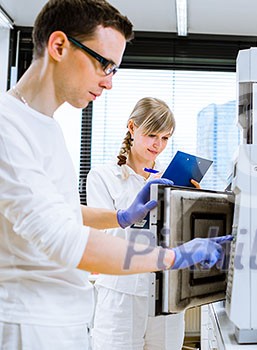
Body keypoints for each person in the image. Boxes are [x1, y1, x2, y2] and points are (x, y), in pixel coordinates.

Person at [0, 1, 231, 349]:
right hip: (29, 324)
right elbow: (62, 238)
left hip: (66, 318)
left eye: (115, 70)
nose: (108, 83)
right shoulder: (7, 127)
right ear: (59, 46)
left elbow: (61, 213)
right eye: (104, 64)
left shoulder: (46, 128)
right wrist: (176, 256)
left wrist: (122, 217)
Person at [87, 97, 194, 349]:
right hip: (120, 294)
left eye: (165, 138)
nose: (158, 144)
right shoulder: (103, 176)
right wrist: (132, 209)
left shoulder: (172, 179)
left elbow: (180, 238)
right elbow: (100, 235)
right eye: (152, 135)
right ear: (132, 128)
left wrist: (193, 204)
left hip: (166, 295)